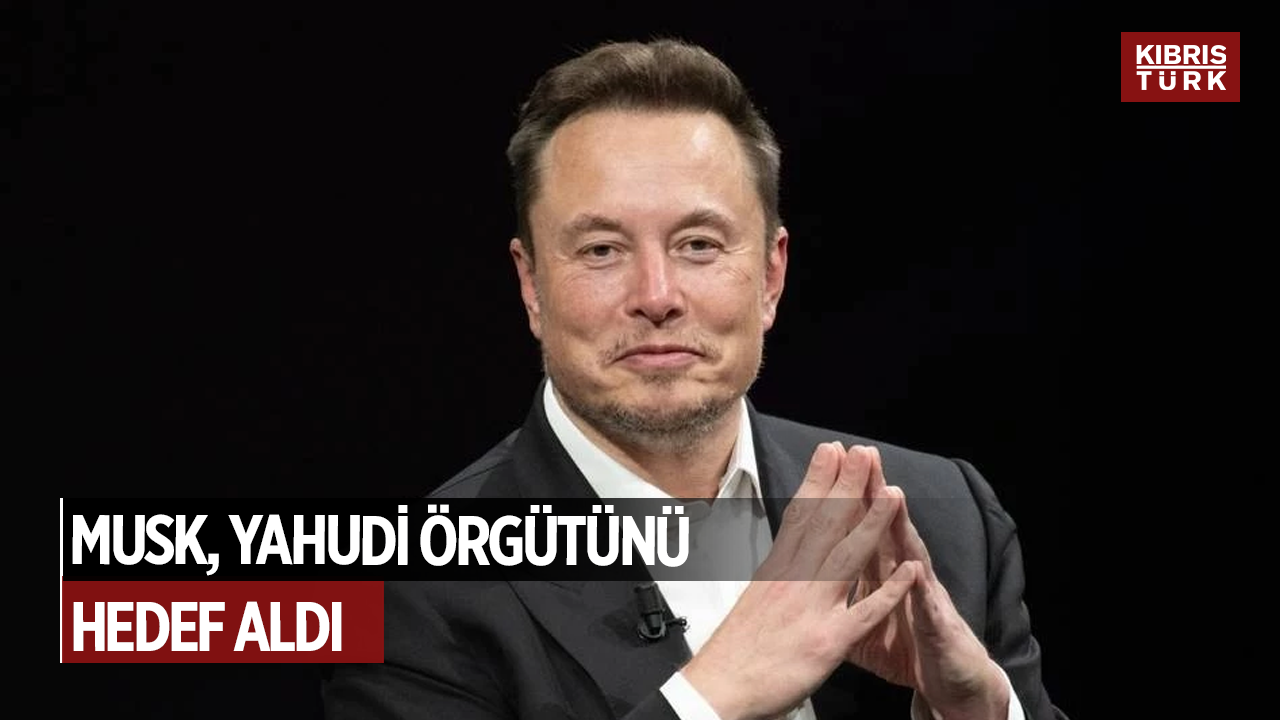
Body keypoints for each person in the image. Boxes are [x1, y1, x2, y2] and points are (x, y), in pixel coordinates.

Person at [324, 39, 1066, 720]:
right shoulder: (411, 592)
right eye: (602, 249)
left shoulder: (944, 517)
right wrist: (707, 700)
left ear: (771, 275)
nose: (657, 295)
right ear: (531, 285)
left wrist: (982, 710)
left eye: (700, 244)